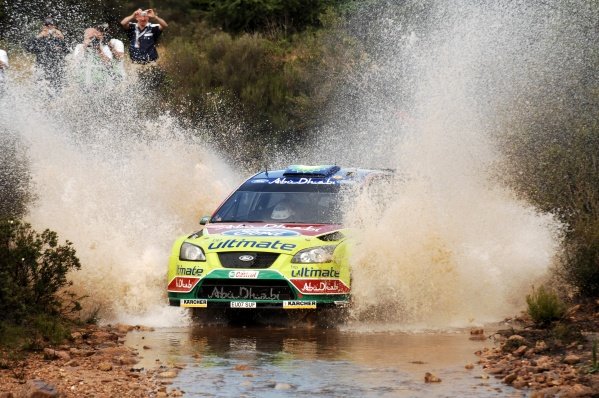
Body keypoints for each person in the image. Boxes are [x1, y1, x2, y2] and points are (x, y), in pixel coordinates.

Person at [24, 18, 69, 88]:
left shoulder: (58, 40)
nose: (50, 28)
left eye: (52, 26)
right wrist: (39, 36)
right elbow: (27, 47)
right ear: (44, 27)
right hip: (42, 70)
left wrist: (62, 39)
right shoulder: (39, 40)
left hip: (57, 71)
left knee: (57, 91)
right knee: (42, 91)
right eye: (47, 25)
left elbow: (67, 51)